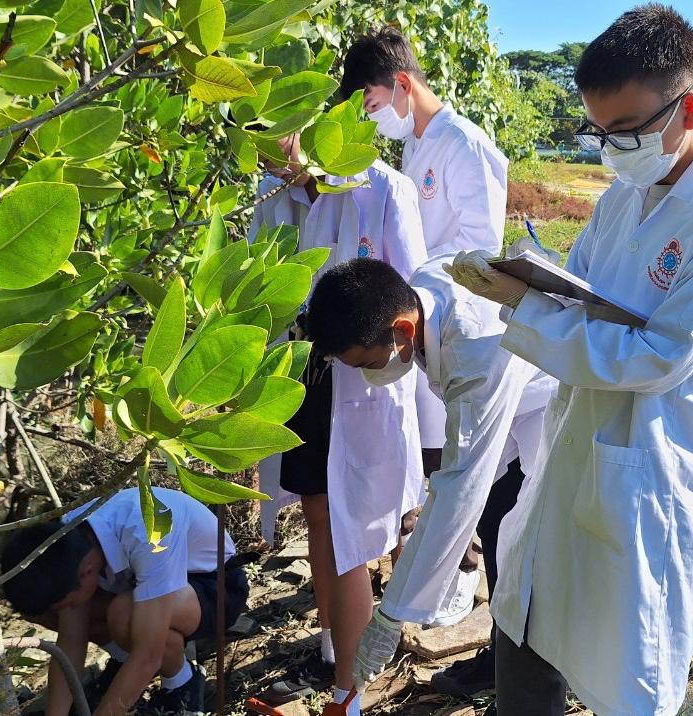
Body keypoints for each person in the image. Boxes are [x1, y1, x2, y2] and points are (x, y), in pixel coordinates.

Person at [446, 5, 693, 714]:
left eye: (627, 130)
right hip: (571, 447)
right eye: (601, 132)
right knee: (524, 616)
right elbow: (580, 295)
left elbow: (660, 358)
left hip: (645, 470)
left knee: (628, 671)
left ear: (688, 107)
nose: (613, 148)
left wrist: (527, 308)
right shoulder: (622, 198)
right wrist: (523, 287)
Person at [304, 256, 557, 707]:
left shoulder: (477, 346)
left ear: (401, 330)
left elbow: (461, 486)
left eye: (368, 360)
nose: (368, 373)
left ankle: (529, 688)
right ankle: (502, 658)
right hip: (506, 419)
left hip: (555, 414)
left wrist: (392, 615)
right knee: (499, 530)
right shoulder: (422, 288)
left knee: (531, 562)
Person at [247, 133, 428, 716]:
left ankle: (350, 684)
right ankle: (335, 647)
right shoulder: (268, 197)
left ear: (306, 129)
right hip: (299, 372)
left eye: (274, 137)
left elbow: (409, 305)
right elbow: (252, 290)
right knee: (319, 515)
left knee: (357, 526)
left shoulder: (383, 190)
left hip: (363, 372)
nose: (268, 157)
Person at [341, 23, 511, 636]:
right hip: (420, 324)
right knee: (438, 455)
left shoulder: (465, 145)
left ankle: (463, 576)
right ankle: (447, 567)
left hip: (461, 327)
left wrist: (421, 283)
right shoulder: (413, 145)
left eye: (372, 106)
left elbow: (482, 251)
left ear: (402, 85)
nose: (372, 120)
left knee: (465, 464)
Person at [0, 487, 248, 716]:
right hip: (144, 590)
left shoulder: (147, 534)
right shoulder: (68, 539)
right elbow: (70, 643)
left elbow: (147, 654)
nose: (68, 611)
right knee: (44, 612)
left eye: (69, 603)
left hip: (216, 587)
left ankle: (182, 683)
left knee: (125, 614)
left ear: (86, 572)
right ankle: (123, 663)